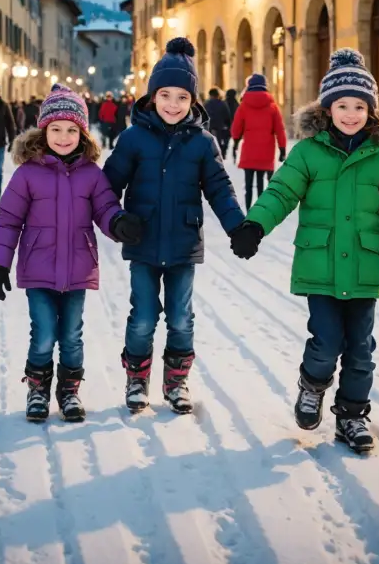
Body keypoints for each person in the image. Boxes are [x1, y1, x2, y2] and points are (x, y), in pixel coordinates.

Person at [230, 48, 379, 454]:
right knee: (325, 341)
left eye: (360, 106)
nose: (351, 113)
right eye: (343, 105)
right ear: (328, 108)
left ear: (371, 112)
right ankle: (312, 385)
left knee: (360, 350)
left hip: (364, 270)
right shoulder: (308, 152)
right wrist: (255, 225)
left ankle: (352, 417)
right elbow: (281, 193)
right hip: (319, 267)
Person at [103, 37, 245, 415]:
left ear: (193, 102)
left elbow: (219, 188)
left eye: (182, 98)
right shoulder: (132, 138)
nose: (173, 104)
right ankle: (136, 380)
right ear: (151, 97)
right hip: (143, 241)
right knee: (144, 317)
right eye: (165, 95)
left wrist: (238, 227)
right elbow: (106, 188)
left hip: (183, 244)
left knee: (181, 318)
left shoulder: (203, 143)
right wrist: (117, 221)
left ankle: (176, 381)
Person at [0, 87, 142, 422]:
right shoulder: (27, 173)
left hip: (77, 269)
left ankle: (69, 392)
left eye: (72, 130)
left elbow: (105, 209)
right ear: (43, 131)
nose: (64, 137)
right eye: (56, 129)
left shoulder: (91, 174)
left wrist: (119, 223)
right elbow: (8, 220)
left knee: (71, 335)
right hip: (38, 269)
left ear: (82, 134)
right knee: (43, 334)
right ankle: (38, 390)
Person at [230, 74, 287, 211]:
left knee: (248, 184)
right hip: (266, 150)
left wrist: (236, 143)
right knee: (261, 181)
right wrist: (282, 149)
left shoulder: (243, 106)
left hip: (249, 150)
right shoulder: (272, 107)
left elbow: (236, 127)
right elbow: (280, 129)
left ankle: (249, 209)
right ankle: (260, 210)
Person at [204, 87, 232, 159]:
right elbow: (227, 116)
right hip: (220, 127)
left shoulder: (206, 104)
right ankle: (220, 155)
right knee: (219, 142)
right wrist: (228, 126)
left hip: (209, 127)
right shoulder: (222, 103)